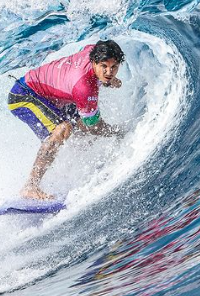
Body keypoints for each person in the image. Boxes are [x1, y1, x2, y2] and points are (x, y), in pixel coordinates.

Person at [8, 40, 125, 200]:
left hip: (55, 97)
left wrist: (107, 80)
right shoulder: (84, 88)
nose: (109, 71)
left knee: (79, 128)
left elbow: (89, 49)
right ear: (94, 62)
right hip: (25, 94)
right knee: (63, 129)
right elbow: (95, 127)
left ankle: (70, 172)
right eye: (104, 66)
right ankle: (30, 186)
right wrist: (116, 133)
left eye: (114, 67)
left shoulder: (93, 50)